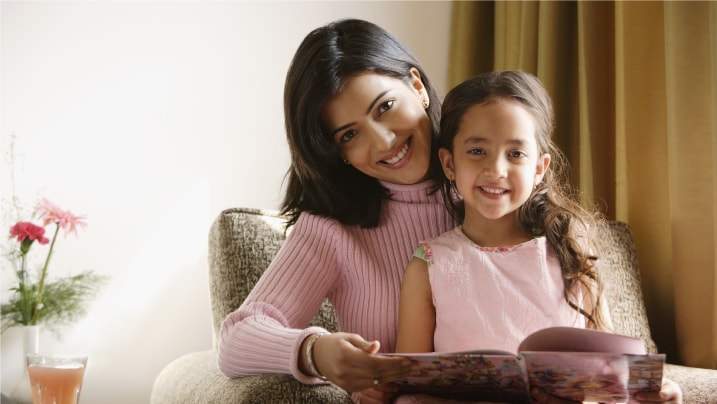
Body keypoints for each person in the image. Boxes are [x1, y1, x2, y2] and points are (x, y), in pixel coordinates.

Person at [394, 70, 682, 404]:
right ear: (449, 163)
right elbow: (408, 380)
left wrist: (656, 393)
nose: (496, 170)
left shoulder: (571, 246)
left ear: (539, 169)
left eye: (515, 154)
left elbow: (612, 376)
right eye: (477, 151)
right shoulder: (430, 263)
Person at [217, 18, 455, 404]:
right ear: (336, 152)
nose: (383, 142)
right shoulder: (332, 230)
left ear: (417, 86)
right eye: (349, 134)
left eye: (385, 107)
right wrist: (314, 352)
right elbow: (235, 340)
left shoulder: (497, 189)